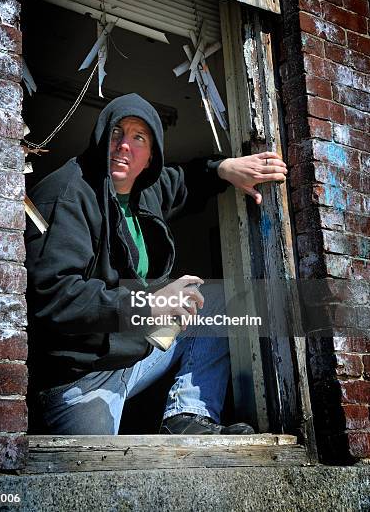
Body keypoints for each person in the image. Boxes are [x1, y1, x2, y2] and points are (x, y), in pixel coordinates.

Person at [25, 93, 287, 435]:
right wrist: (150, 304)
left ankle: (185, 416)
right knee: (95, 479)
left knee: (216, 300)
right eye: (117, 132)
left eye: (139, 138)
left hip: (130, 355)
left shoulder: (141, 188)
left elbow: (184, 181)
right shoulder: (67, 194)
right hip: (82, 378)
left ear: (151, 157)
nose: (124, 147)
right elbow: (56, 297)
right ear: (102, 137)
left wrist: (225, 169)